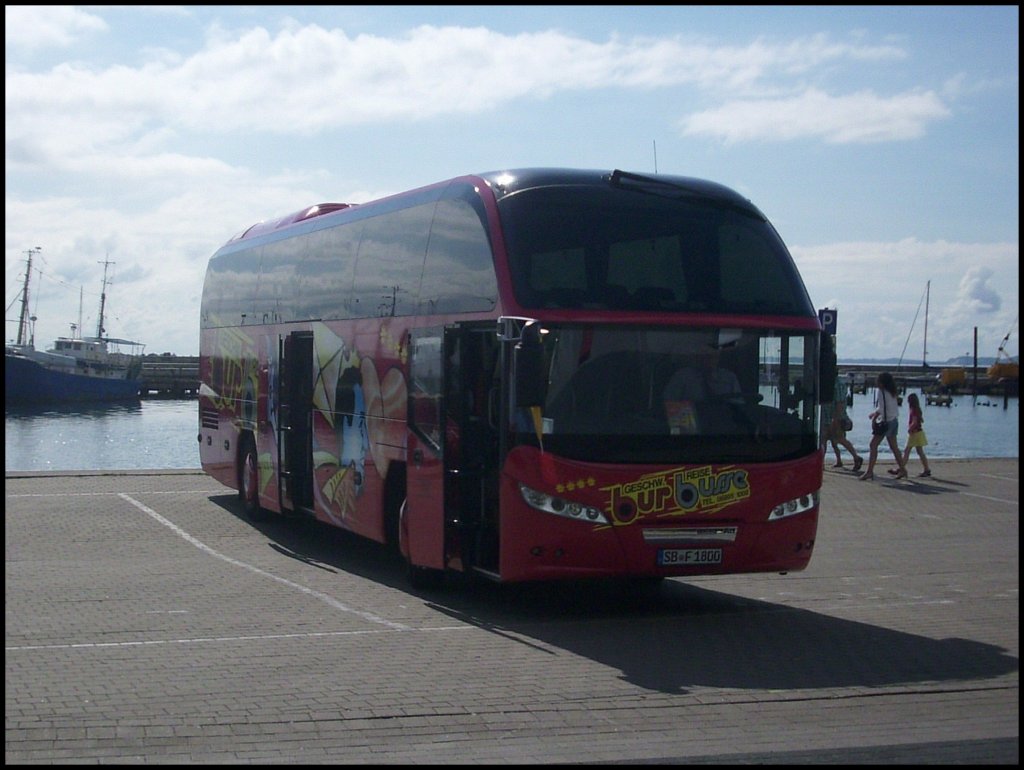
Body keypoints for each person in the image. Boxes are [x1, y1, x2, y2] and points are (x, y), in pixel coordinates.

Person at [859, 371, 906, 481]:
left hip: (886, 422)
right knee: (894, 447)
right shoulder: (892, 391)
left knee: (873, 445)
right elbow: (887, 407)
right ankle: (903, 469)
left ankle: (869, 471)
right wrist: (876, 413)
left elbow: (882, 408)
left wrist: (875, 418)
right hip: (894, 420)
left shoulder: (882, 392)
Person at [822, 373, 863, 472]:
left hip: (835, 417)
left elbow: (840, 404)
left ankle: (856, 457)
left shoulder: (837, 384)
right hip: (828, 416)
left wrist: (835, 420)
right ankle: (838, 461)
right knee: (832, 441)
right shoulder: (833, 383)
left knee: (837, 439)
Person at [894, 392, 932, 478]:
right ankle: (927, 469)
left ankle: (901, 468)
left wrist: (910, 428)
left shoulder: (913, 410)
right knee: (920, 452)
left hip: (914, 433)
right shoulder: (917, 409)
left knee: (907, 451)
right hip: (919, 432)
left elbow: (914, 422)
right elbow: (920, 421)